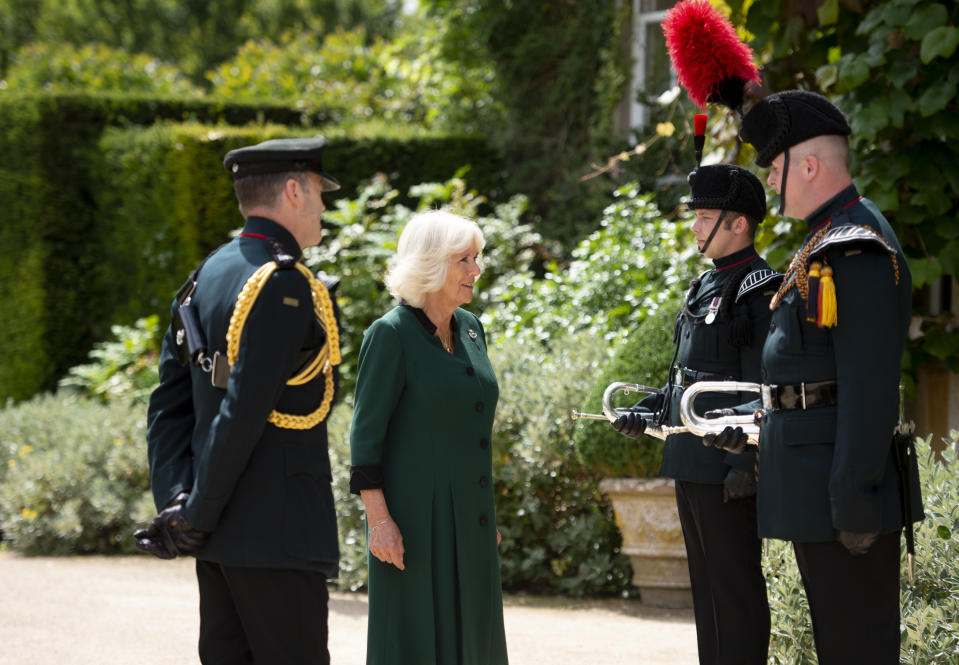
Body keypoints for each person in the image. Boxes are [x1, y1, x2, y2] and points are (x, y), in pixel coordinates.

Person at [706, 90, 924, 664]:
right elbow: (807, 383)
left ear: (809, 165)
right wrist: (757, 437)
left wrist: (853, 502)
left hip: (843, 501)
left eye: (776, 168)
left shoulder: (857, 248)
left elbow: (869, 386)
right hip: (814, 488)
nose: (771, 181)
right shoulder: (827, 238)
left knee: (855, 650)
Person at [135, 136, 344, 664]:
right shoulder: (281, 282)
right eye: (320, 192)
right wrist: (195, 515)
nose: (324, 206)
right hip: (274, 531)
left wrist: (178, 503)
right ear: (293, 191)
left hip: (223, 536)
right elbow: (243, 411)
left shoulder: (208, 273)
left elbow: (167, 405)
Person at [611, 163, 776, 665]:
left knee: (735, 590)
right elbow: (686, 377)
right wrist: (646, 413)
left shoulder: (759, 288)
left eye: (705, 217)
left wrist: (745, 467)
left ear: (738, 223)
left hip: (728, 463)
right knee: (706, 592)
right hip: (690, 457)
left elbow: (763, 389)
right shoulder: (704, 284)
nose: (695, 226)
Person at [349, 210, 509, 665]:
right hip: (412, 525)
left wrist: (481, 515)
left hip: (472, 522)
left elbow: (470, 425)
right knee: (415, 644)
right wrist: (379, 523)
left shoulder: (472, 328)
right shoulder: (390, 335)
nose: (475, 270)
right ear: (432, 263)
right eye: (465, 259)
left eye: (475, 258)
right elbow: (365, 439)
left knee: (475, 643)